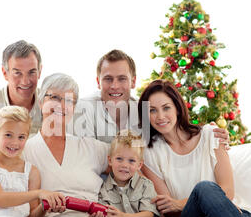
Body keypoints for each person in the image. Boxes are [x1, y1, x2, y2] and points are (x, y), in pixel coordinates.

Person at [138, 79, 251, 217]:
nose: (160, 116)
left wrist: (179, 202)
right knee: (204, 189)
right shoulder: (149, 152)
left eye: (166, 108)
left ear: (178, 108)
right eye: (152, 110)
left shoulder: (210, 135)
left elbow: (228, 191)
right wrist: (183, 204)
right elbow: (169, 209)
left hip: (235, 215)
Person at [22, 73, 129, 217]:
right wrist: (45, 206)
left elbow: (131, 161)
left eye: (69, 101)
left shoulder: (90, 148)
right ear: (40, 101)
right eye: (54, 97)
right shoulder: (24, 151)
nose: (61, 106)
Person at [69, 49, 230, 145]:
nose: (115, 86)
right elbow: (88, 158)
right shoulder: (83, 109)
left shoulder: (144, 110)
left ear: (133, 81)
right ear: (98, 82)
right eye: (108, 79)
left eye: (122, 78)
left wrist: (207, 134)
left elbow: (171, 134)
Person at [91, 130, 194, 217]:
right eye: (119, 159)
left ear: (140, 165)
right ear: (110, 160)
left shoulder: (146, 184)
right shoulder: (103, 189)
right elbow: (105, 215)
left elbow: (148, 216)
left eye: (131, 161)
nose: (124, 165)